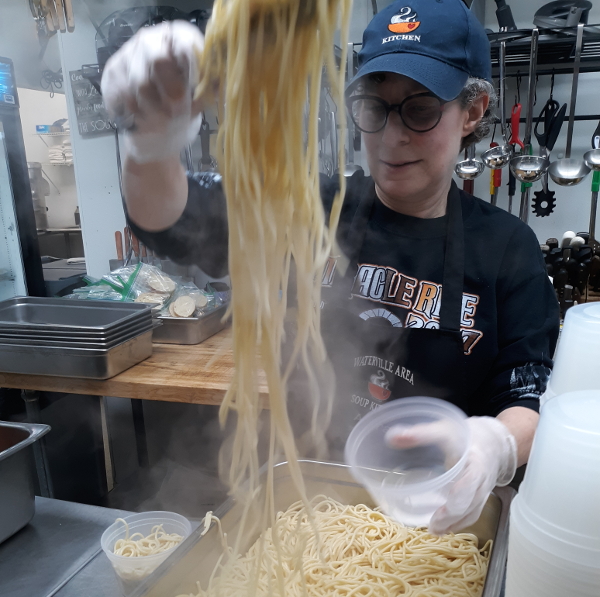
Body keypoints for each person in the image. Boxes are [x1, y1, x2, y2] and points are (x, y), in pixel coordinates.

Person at [101, 0, 559, 535]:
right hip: (309, 506)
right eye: (373, 107)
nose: (391, 135)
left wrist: (496, 447)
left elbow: (529, 395)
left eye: (420, 109)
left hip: (439, 515)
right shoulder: (313, 209)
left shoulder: (508, 248)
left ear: (473, 110)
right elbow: (171, 220)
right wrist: (153, 136)